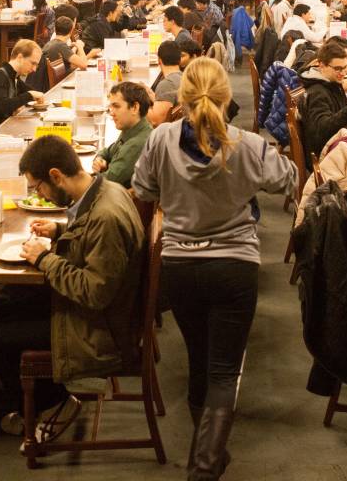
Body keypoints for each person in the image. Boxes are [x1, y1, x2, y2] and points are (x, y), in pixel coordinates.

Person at [133, 58, 297, 481]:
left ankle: (208, 455)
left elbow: (143, 189)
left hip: (180, 265)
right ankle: (204, 466)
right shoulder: (247, 144)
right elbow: (288, 181)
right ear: (226, 99)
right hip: (233, 266)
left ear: (181, 99)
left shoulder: (160, 139)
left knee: (199, 362)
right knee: (224, 372)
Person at [0, 136, 144, 437]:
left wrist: (45, 259)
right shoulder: (107, 190)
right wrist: (59, 230)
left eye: (38, 187)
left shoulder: (105, 217)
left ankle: (54, 404)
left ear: (56, 175)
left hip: (100, 329)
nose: (39, 195)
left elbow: (95, 292)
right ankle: (36, 401)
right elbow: (90, 235)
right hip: (102, 312)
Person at [96, 82, 154, 187]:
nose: (111, 113)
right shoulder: (132, 129)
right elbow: (107, 151)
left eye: (116, 106)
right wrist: (100, 159)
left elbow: (105, 182)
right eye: (111, 107)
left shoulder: (136, 144)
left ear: (135, 108)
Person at [0, 39, 45, 122]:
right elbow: (3, 107)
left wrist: (28, 98)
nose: (34, 69)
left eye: (36, 65)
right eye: (33, 63)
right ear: (20, 57)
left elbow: (34, 94)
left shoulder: (15, 76)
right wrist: (29, 95)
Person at [148, 40, 184, 125]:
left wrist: (139, 105)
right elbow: (166, 101)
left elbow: (155, 120)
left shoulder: (167, 85)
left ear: (159, 60)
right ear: (180, 60)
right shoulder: (183, 77)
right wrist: (149, 93)